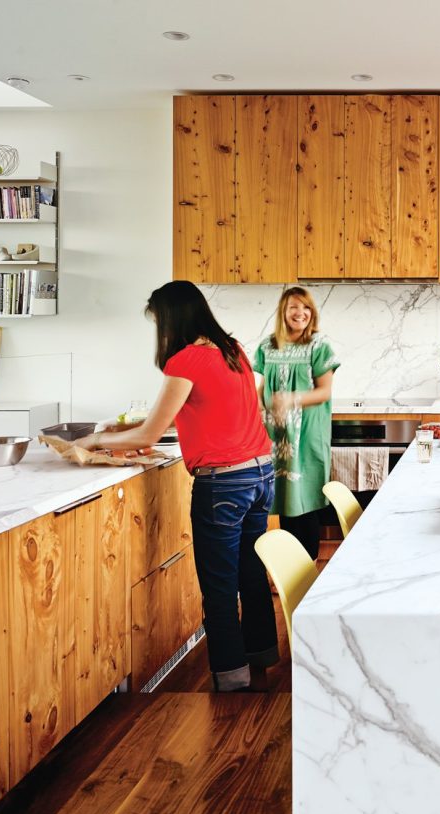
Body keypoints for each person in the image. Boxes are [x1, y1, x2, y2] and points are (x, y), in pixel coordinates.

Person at [77, 280, 277, 692]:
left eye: (159, 323)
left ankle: (231, 676)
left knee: (219, 583)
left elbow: (148, 437)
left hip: (223, 484)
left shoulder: (185, 360)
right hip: (260, 473)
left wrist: (94, 440)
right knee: (250, 573)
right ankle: (260, 657)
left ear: (171, 319)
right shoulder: (231, 349)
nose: (160, 332)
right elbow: (183, 413)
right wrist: (125, 429)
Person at [254, 285, 340, 560]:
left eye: (305, 308)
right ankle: (291, 569)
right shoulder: (268, 345)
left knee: (306, 498)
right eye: (294, 307)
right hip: (276, 433)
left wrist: (291, 398)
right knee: (283, 499)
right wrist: (255, 406)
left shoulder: (319, 345)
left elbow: (324, 391)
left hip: (306, 433)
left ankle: (308, 567)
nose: (300, 313)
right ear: (283, 311)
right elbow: (262, 385)